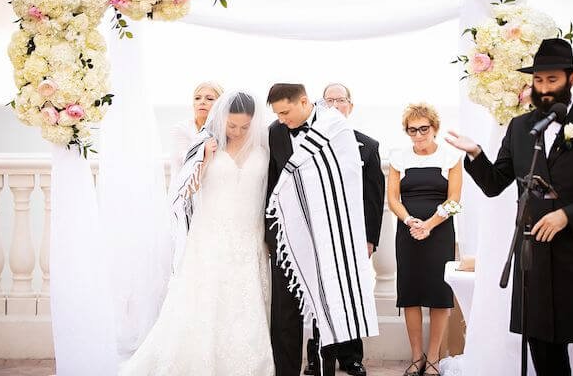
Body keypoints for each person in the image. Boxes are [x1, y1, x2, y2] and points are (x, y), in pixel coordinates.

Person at [446, 38, 573, 376]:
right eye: (538, 81)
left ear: (572, 79)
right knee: (544, 356)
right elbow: (496, 182)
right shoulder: (521, 127)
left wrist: (568, 215)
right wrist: (475, 155)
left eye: (552, 80)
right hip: (535, 263)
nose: (543, 89)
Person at [119, 91, 274, 376]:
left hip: (249, 237)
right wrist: (204, 158)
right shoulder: (204, 143)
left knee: (244, 304)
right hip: (210, 237)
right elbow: (186, 191)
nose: (238, 132)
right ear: (221, 119)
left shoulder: (263, 150)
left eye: (243, 127)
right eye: (232, 126)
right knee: (205, 301)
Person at [265, 83, 379, 376]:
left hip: (329, 235)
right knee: (285, 313)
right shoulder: (275, 132)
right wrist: (271, 236)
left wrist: (361, 237)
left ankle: (325, 367)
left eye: (285, 112)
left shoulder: (335, 130)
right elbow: (272, 185)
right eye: (277, 114)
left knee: (329, 307)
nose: (281, 119)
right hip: (288, 237)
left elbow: (351, 185)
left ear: (304, 102)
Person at [304, 83, 385, 376]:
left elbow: (374, 197)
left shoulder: (369, 145)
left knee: (352, 294)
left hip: (354, 236)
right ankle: (316, 356)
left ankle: (351, 357)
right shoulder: (308, 143)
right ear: (320, 106)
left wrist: (370, 239)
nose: (336, 105)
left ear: (351, 106)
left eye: (341, 100)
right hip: (319, 236)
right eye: (329, 100)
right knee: (319, 294)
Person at [388, 103, 462, 376]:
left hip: (440, 233)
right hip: (408, 232)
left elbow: (454, 201)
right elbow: (393, 198)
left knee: (438, 295)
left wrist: (430, 224)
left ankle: (432, 359)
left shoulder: (451, 157)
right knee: (410, 293)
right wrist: (410, 221)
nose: (418, 135)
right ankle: (416, 357)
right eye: (412, 130)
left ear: (434, 128)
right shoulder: (398, 156)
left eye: (423, 129)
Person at [169, 81, 224, 180]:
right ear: (193, 104)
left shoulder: (225, 130)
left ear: (221, 104)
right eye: (197, 98)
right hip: (187, 188)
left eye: (209, 98)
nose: (202, 102)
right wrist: (205, 151)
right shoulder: (181, 129)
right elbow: (184, 160)